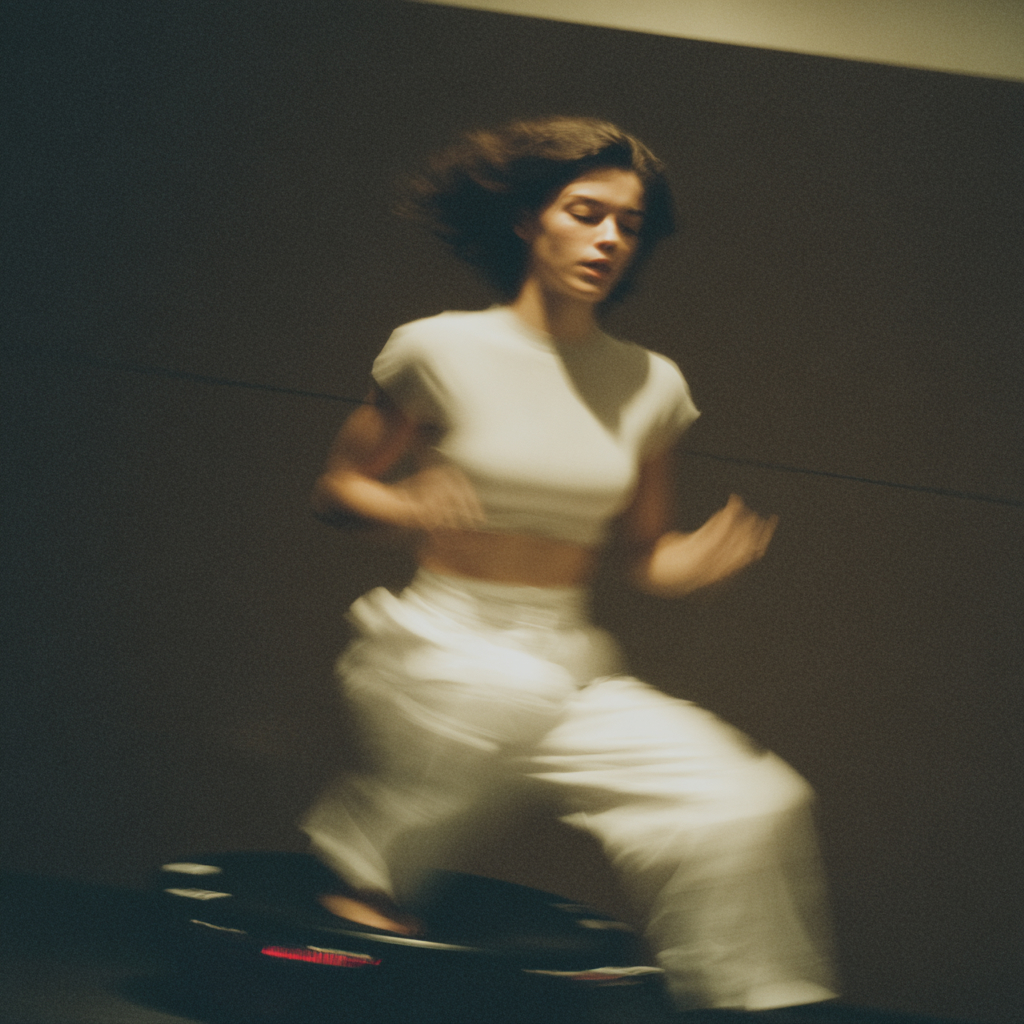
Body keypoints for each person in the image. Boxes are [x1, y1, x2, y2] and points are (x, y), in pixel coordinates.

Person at [301, 117, 836, 1012]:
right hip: (442, 645)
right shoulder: (437, 348)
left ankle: (755, 1001)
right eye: (587, 213)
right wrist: (405, 503)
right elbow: (337, 488)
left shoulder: (651, 383)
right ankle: (366, 859)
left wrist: (692, 564)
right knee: (496, 699)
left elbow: (646, 556)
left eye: (629, 225)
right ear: (527, 220)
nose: (609, 239)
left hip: (563, 658)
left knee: (751, 799)